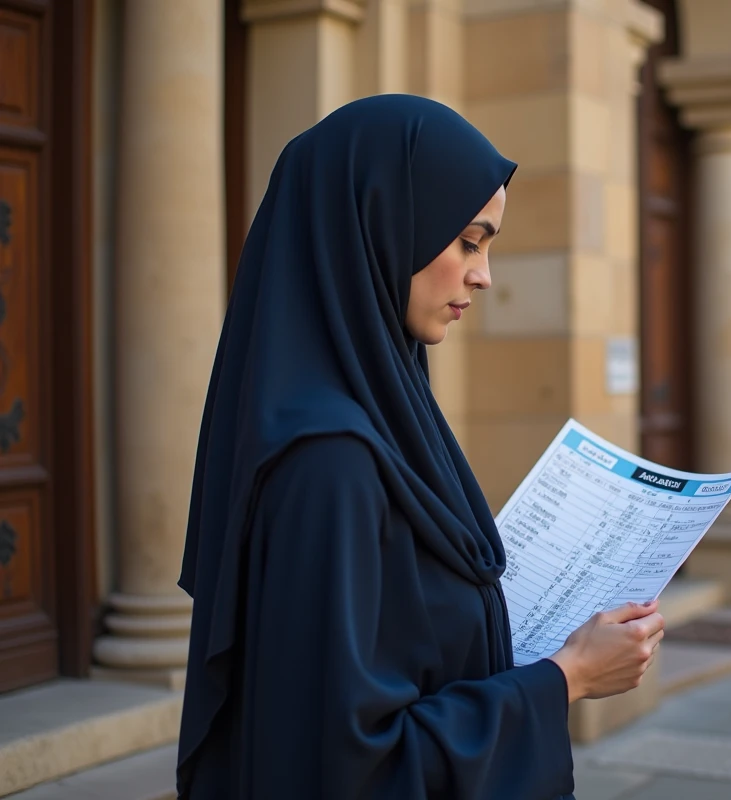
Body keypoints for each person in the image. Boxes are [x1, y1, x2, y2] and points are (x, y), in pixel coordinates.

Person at [174, 95, 665, 799]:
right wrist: (568, 678)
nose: (483, 275)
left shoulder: (381, 423)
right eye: (468, 239)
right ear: (381, 225)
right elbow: (347, 770)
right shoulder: (329, 466)